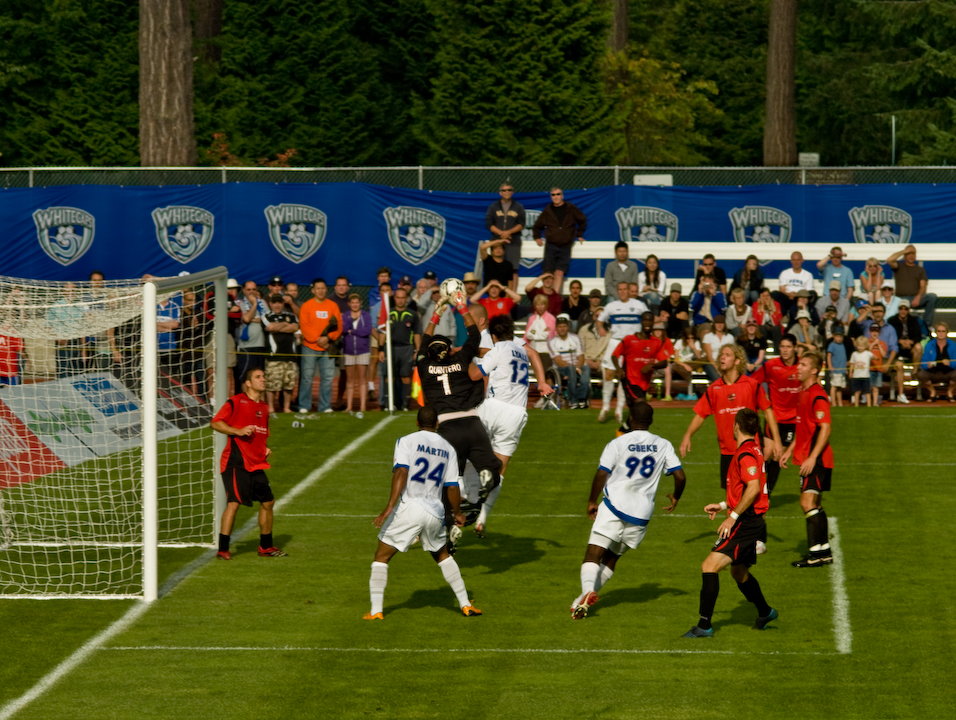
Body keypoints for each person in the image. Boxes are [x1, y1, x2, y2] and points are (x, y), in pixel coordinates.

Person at [570, 401, 686, 620]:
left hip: (614, 506)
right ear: (651, 421)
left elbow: (602, 473)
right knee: (612, 558)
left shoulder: (618, 443)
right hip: (640, 515)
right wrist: (675, 496)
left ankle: (586, 593)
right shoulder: (663, 444)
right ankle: (581, 601)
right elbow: (679, 476)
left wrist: (591, 501)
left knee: (593, 553)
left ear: (630, 419)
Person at [364, 405, 481, 620]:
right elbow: (453, 486)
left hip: (410, 507)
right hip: (435, 512)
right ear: (437, 424)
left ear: (417, 423)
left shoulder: (406, 441)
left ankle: (376, 611)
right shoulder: (448, 448)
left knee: (381, 557)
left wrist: (389, 506)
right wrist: (457, 513)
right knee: (442, 555)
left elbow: (401, 471)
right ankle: (465, 604)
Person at [682, 408, 777, 638]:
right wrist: (724, 505)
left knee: (709, 566)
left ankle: (704, 626)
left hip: (745, 522)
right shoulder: (754, 449)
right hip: (750, 519)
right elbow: (745, 488)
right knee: (738, 571)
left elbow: (753, 488)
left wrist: (732, 517)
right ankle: (765, 611)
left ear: (736, 427)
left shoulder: (745, 454)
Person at [417, 295, 502, 548]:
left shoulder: (424, 367)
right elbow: (474, 335)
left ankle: (451, 529)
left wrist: (435, 314)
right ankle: (485, 471)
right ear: (449, 349)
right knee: (493, 471)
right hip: (473, 422)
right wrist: (461, 306)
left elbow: (422, 342)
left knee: (448, 484)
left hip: (447, 428)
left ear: (431, 353)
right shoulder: (460, 359)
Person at [467, 314, 552, 537]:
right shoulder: (521, 350)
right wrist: (542, 382)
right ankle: (482, 519)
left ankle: (465, 502)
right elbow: (535, 355)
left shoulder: (498, 349)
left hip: (493, 407)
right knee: (500, 470)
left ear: (493, 336)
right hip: (516, 413)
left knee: (466, 452)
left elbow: (476, 374)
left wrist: (465, 358)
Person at [680, 344, 782, 491]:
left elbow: (768, 412)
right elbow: (700, 415)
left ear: (737, 361)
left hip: (750, 451)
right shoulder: (714, 389)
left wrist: (777, 441)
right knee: (732, 501)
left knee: (754, 500)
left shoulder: (751, 385)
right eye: (721, 354)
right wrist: (687, 435)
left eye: (727, 355)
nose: (722, 357)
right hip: (727, 453)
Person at [211, 367, 287, 560]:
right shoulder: (235, 401)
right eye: (258, 377)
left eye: (264, 376)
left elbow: (261, 434)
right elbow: (215, 423)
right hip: (235, 462)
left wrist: (265, 449)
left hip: (256, 462)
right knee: (234, 503)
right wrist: (237, 431)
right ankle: (223, 549)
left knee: (268, 502)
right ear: (248, 383)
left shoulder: (263, 408)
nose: (264, 379)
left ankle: (266, 546)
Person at [780, 351, 835, 568]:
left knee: (807, 503)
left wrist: (812, 458)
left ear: (814, 370)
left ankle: (815, 555)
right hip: (809, 457)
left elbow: (826, 427)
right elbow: (803, 427)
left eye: (802, 364)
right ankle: (823, 552)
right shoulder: (804, 393)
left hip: (817, 460)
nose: (797, 368)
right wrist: (788, 450)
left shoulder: (817, 395)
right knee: (815, 504)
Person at [751, 333, 801, 495]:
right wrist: (761, 400)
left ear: (795, 348)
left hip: (793, 420)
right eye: (782, 347)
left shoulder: (803, 366)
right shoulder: (771, 365)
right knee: (767, 453)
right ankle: (757, 489)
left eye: (788, 347)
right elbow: (753, 382)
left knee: (778, 456)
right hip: (774, 417)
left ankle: (767, 492)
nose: (785, 350)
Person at [596, 281, 649, 424]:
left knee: (624, 377)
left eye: (625, 289)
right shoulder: (611, 306)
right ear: (617, 291)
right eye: (620, 289)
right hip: (615, 342)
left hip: (632, 345)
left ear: (629, 290)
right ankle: (605, 407)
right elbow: (600, 320)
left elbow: (648, 320)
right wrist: (601, 328)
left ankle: (619, 410)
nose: (622, 291)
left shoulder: (639, 305)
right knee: (608, 374)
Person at [297, 278, 342, 414]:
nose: (321, 291)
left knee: (328, 378)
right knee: (307, 377)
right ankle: (304, 405)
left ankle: (325, 406)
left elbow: (338, 326)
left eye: (323, 288)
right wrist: (317, 340)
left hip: (328, 347)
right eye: (318, 288)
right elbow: (304, 326)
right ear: (313, 290)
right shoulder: (307, 306)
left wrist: (328, 338)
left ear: (326, 289)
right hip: (309, 347)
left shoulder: (332, 306)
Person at [532, 187, 587, 293]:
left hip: (565, 246)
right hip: (551, 245)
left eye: (558, 194)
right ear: (550, 197)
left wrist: (579, 234)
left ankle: (555, 297)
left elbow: (582, 219)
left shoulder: (570, 208)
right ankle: (546, 297)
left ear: (562, 195)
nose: (556, 197)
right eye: (553, 195)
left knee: (559, 273)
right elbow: (537, 226)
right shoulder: (548, 210)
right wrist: (537, 237)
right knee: (548, 274)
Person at [611, 311, 671, 405]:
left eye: (650, 321)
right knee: (641, 405)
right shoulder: (629, 340)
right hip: (630, 380)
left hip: (644, 383)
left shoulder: (656, 342)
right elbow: (614, 355)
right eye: (645, 320)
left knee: (635, 412)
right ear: (641, 322)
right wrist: (618, 369)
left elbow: (664, 363)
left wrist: (651, 365)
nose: (647, 323)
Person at [378, 286, 421, 411]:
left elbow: (417, 333)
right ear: (394, 298)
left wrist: (417, 350)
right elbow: (382, 331)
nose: (400, 300)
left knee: (406, 376)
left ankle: (405, 404)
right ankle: (389, 404)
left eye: (403, 298)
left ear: (406, 299)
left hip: (406, 348)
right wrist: (381, 349)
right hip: (390, 347)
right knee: (389, 376)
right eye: (398, 297)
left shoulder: (412, 314)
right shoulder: (388, 313)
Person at [263, 294, 299, 414]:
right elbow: (270, 327)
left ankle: (286, 408)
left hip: (290, 355)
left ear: (283, 304)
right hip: (274, 356)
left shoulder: (291, 315)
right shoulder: (266, 316)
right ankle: (271, 408)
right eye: (275, 303)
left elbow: (295, 327)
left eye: (279, 302)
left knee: (289, 384)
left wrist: (278, 327)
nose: (277, 305)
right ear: (271, 304)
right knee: (272, 385)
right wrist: (285, 324)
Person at [485, 181, 525, 291]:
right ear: (500, 193)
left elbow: (521, 224)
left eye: (509, 190)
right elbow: (489, 223)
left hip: (513, 242)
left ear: (512, 192)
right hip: (496, 242)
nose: (506, 192)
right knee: (495, 268)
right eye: (504, 190)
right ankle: (495, 294)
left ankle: (511, 297)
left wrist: (508, 233)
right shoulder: (493, 207)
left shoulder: (518, 207)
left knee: (513, 269)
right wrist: (501, 234)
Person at [887, 244, 937, 326]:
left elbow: (923, 286)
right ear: (905, 255)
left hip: (915, 298)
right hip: (901, 299)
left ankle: (926, 325)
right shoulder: (899, 266)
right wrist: (904, 251)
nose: (911, 256)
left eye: (913, 253)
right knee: (896, 302)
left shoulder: (920, 269)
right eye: (908, 253)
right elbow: (889, 260)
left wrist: (918, 297)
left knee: (932, 297)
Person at [549, 314, 590, 409]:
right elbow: (559, 361)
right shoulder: (552, 342)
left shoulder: (575, 338)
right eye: (560, 326)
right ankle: (573, 399)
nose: (562, 329)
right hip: (561, 369)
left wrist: (578, 367)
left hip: (577, 366)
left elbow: (581, 356)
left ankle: (582, 399)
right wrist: (574, 368)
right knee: (570, 368)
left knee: (586, 367)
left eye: (564, 326)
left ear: (568, 327)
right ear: (556, 328)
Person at [341, 293, 372, 418]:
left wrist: (352, 331)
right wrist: (349, 324)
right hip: (348, 351)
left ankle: (362, 405)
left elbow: (367, 331)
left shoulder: (366, 316)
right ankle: (349, 406)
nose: (355, 305)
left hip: (362, 351)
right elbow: (342, 329)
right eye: (352, 302)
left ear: (360, 303)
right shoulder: (345, 316)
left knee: (362, 378)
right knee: (350, 379)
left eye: (357, 302)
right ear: (349, 304)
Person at [235, 280, 268, 391]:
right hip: (246, 346)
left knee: (261, 377)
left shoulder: (263, 303)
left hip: (261, 345)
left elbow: (268, 321)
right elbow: (246, 318)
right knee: (246, 377)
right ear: (244, 290)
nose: (251, 292)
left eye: (254, 289)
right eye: (248, 289)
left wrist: (253, 318)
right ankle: (245, 403)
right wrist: (254, 304)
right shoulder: (240, 303)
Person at [888, 299, 920, 403]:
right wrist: (900, 341)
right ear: (898, 310)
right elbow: (890, 337)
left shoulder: (914, 320)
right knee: (899, 365)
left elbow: (918, 335)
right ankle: (900, 394)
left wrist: (911, 341)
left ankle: (914, 372)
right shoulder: (891, 320)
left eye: (905, 309)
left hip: (910, 347)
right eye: (901, 308)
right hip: (897, 348)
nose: (903, 311)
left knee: (919, 347)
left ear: (908, 310)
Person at [917, 322, 956, 402]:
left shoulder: (953, 345)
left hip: (948, 373)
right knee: (920, 374)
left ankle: (950, 392)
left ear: (947, 333)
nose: (941, 333)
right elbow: (924, 361)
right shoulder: (929, 345)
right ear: (936, 333)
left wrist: (950, 363)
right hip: (933, 373)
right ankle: (932, 392)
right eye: (939, 331)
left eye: (943, 331)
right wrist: (928, 365)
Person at [672, 326, 705, 400]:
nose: (690, 340)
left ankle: (690, 391)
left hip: (692, 363)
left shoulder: (696, 343)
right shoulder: (679, 342)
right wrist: (685, 366)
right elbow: (676, 360)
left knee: (705, 359)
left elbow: (700, 358)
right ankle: (690, 389)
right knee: (676, 366)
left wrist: (693, 347)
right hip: (681, 364)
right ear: (684, 337)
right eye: (688, 338)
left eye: (692, 338)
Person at [701, 315, 735, 382]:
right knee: (717, 378)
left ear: (724, 324)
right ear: (714, 324)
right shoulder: (708, 336)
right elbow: (709, 356)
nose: (719, 325)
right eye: (717, 323)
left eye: (721, 323)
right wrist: (718, 368)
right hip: (711, 363)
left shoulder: (730, 337)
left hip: (726, 363)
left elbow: (731, 354)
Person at [848, 335, 873, 407]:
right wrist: (850, 372)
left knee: (867, 392)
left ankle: (869, 405)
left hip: (865, 376)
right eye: (858, 345)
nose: (860, 347)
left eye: (862, 346)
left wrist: (876, 358)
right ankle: (856, 404)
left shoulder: (868, 353)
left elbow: (875, 357)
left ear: (865, 346)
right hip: (856, 376)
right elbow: (852, 364)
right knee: (857, 391)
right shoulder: (854, 354)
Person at [827, 325, 847, 407]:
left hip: (842, 370)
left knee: (839, 387)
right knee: (834, 386)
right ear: (833, 336)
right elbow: (829, 356)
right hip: (835, 370)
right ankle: (834, 403)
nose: (839, 338)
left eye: (840, 336)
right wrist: (830, 366)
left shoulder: (842, 345)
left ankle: (840, 403)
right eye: (837, 336)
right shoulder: (832, 345)